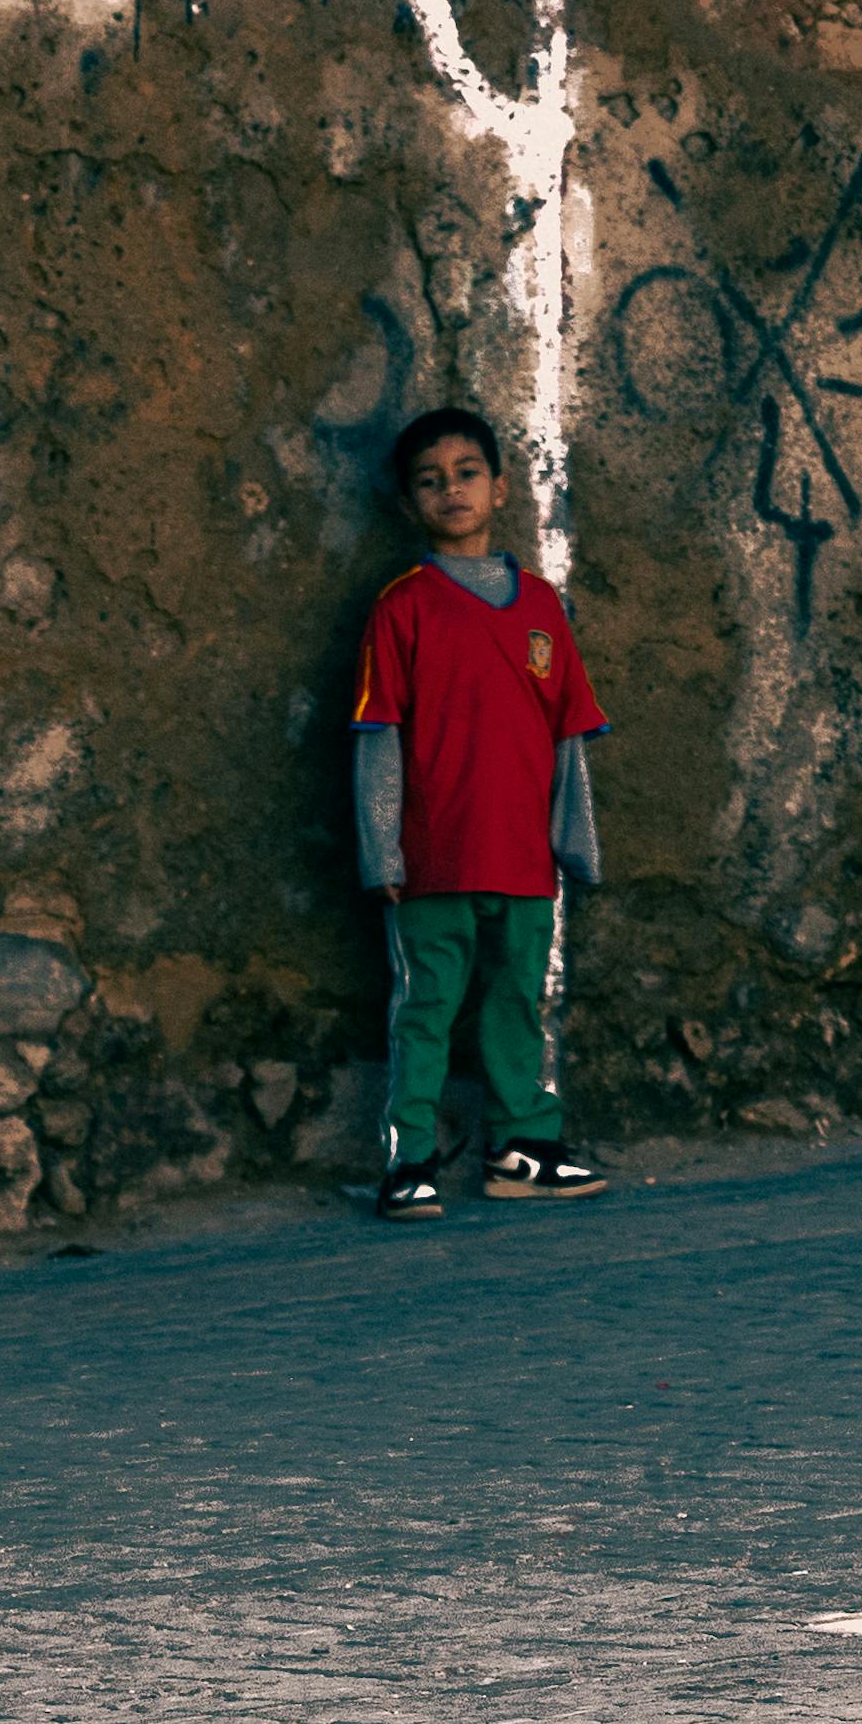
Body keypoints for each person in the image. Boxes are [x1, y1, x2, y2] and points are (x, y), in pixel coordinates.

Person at [351, 407, 612, 1222]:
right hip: (433, 858)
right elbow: (377, 735)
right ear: (408, 503)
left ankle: (520, 1148)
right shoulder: (402, 607)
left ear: (499, 488)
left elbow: (566, 734)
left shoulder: (541, 606)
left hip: (524, 860)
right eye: (430, 480)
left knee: (515, 1004)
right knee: (424, 1009)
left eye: (466, 473)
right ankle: (409, 1159)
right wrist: (381, 852)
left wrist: (574, 845)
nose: (451, 490)